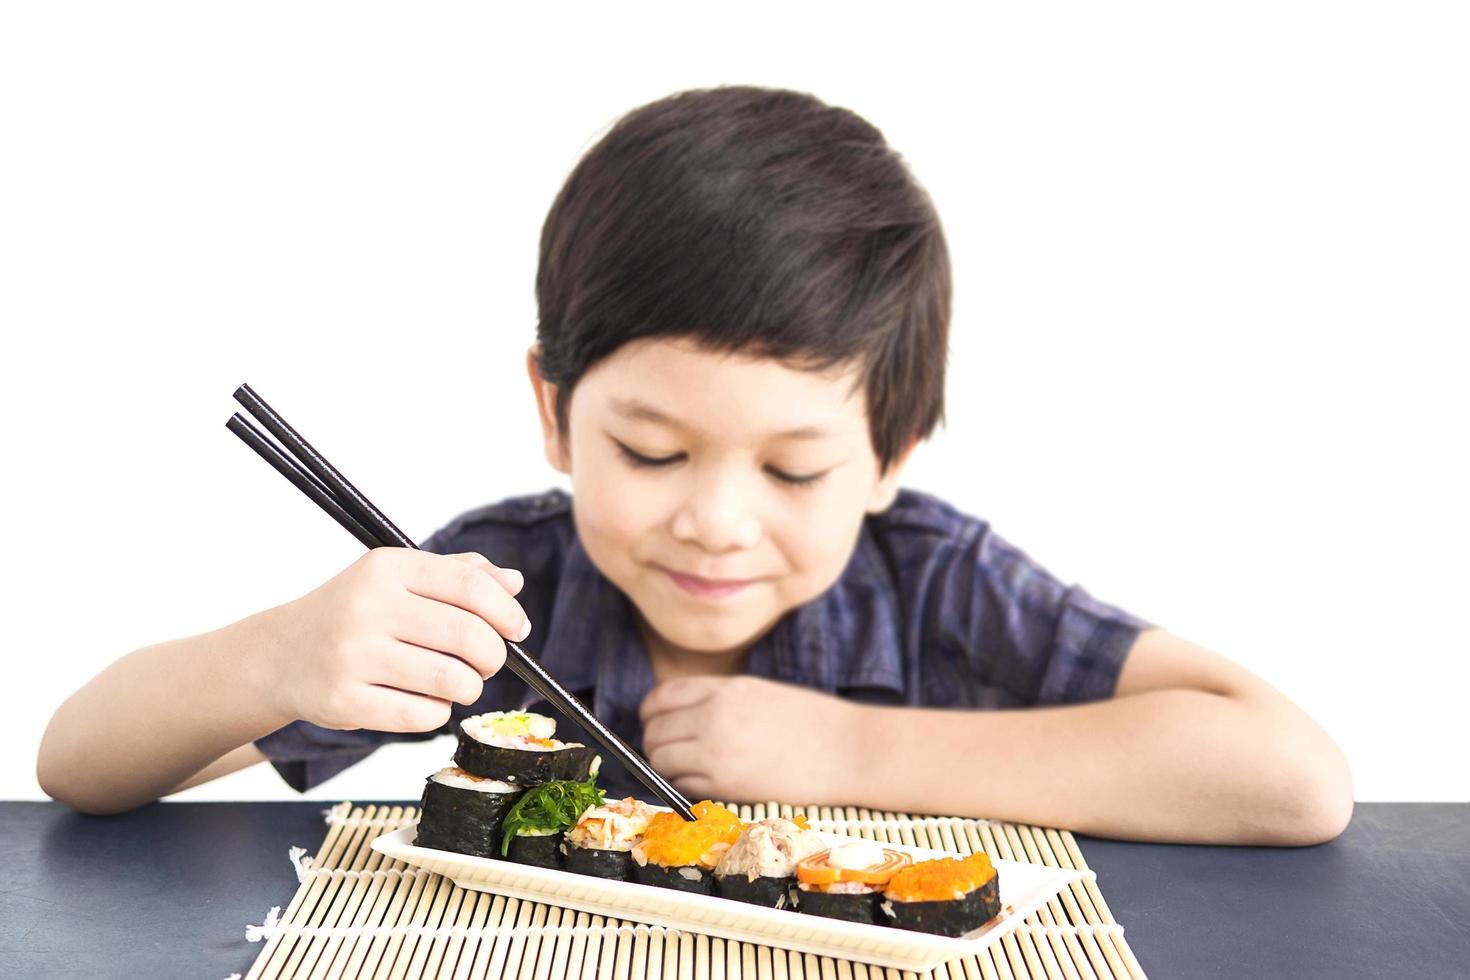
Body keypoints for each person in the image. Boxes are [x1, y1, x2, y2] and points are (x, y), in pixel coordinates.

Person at [38, 85, 1352, 844]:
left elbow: (1289, 779)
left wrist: (848, 750)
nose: (718, 522)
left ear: (889, 451)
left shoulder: (935, 582)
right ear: (552, 413)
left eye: (792, 471)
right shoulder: (511, 588)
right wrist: (275, 657)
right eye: (651, 450)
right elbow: (80, 768)